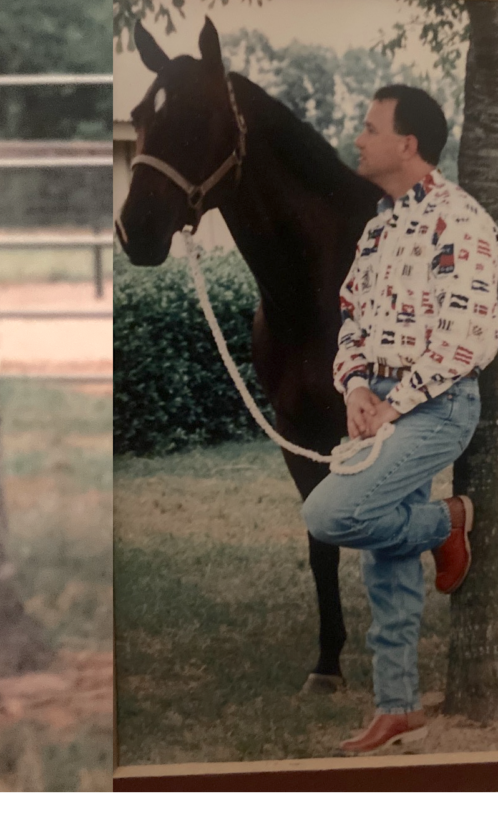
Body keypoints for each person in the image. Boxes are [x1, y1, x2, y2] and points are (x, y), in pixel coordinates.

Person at [301, 85, 498, 755]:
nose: (357, 137)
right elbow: (352, 314)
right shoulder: (380, 224)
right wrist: (356, 386)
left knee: (329, 513)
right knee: (386, 561)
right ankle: (399, 707)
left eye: (369, 126)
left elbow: (465, 335)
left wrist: (395, 399)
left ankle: (448, 520)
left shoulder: (461, 221)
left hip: (436, 407)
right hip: (381, 402)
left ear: (406, 144)